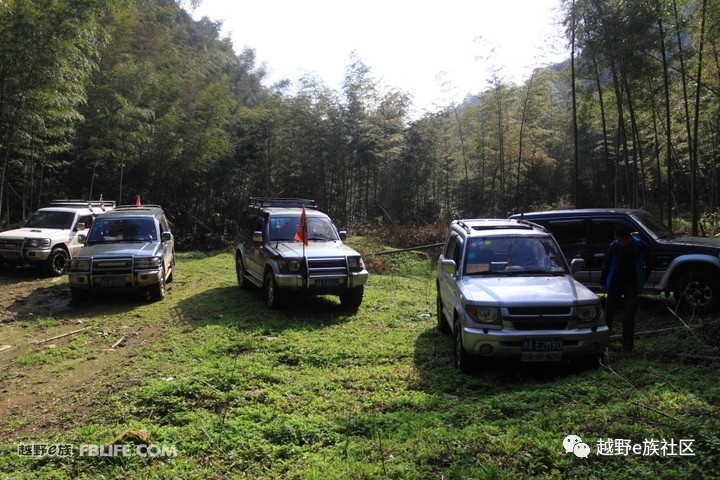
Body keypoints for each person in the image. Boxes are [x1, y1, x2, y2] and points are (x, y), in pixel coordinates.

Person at [600, 226, 648, 352]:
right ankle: (604, 342)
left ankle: (628, 345)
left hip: (631, 285)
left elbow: (649, 262)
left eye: (620, 240)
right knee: (608, 314)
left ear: (627, 238)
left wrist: (644, 277)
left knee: (628, 316)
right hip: (615, 284)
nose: (618, 242)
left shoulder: (639, 246)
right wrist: (603, 280)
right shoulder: (614, 246)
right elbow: (606, 263)